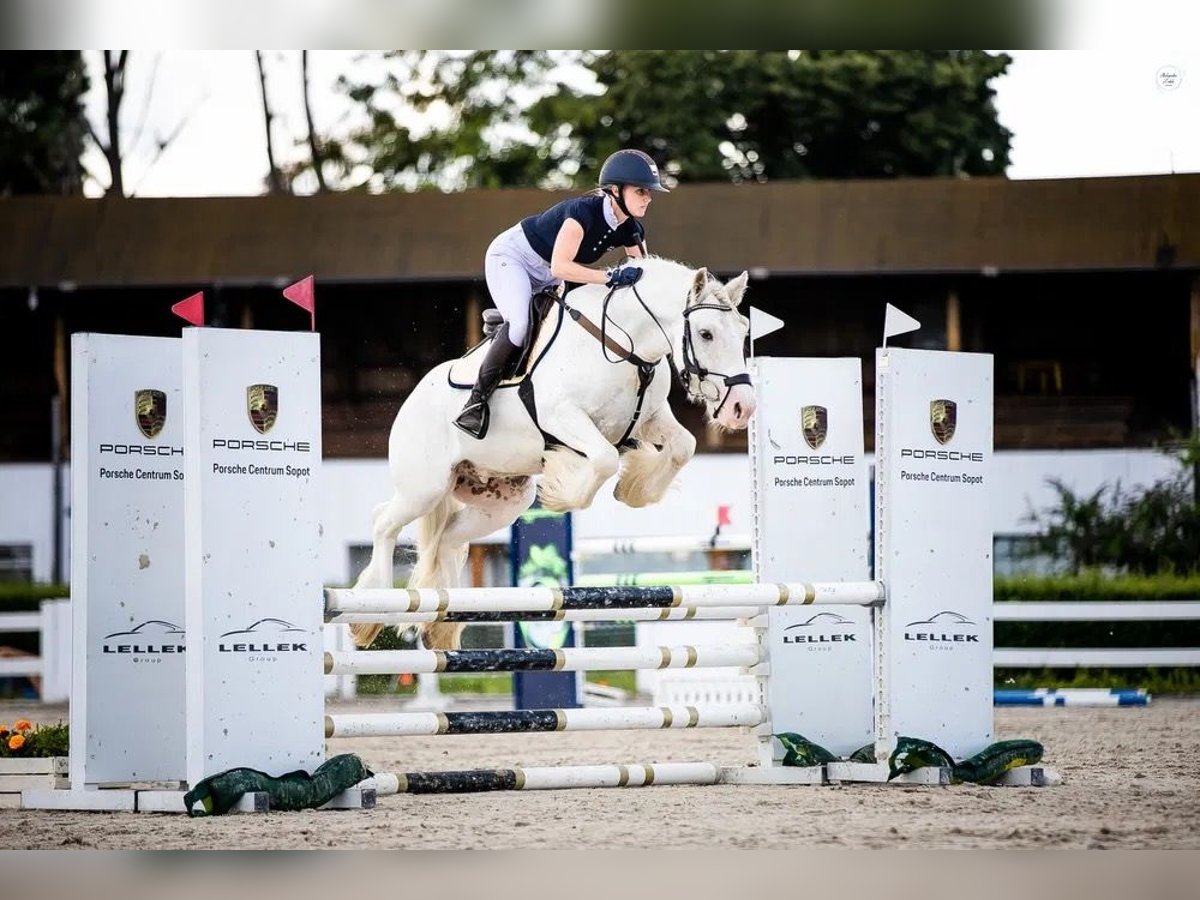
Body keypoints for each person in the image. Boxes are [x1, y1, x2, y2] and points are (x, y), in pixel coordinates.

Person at [454, 148, 670, 439]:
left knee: (559, 329)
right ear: (616, 190)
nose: (649, 197)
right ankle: (475, 403)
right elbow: (562, 266)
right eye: (642, 191)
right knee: (520, 326)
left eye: (649, 192)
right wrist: (610, 277)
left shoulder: (631, 228)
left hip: (549, 273)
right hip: (513, 259)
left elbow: (643, 275)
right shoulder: (582, 213)